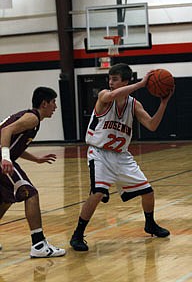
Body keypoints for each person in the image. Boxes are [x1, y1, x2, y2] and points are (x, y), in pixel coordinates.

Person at [70, 63, 173, 251]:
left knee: (148, 192)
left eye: (115, 79)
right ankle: (77, 234)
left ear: (125, 81)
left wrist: (163, 104)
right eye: (109, 78)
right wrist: (142, 84)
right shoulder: (104, 96)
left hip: (122, 156)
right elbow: (111, 95)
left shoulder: (134, 105)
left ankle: (150, 224)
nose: (110, 82)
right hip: (99, 153)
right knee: (97, 192)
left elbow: (151, 125)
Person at [0, 86, 66, 258]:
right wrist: (5, 158)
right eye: (53, 102)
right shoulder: (32, 118)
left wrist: (36, 159)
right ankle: (38, 244)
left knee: (7, 198)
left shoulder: (31, 118)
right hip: (1, 158)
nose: (55, 107)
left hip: (4, 156)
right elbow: (5, 131)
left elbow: (16, 145)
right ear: (44, 103)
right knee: (30, 193)